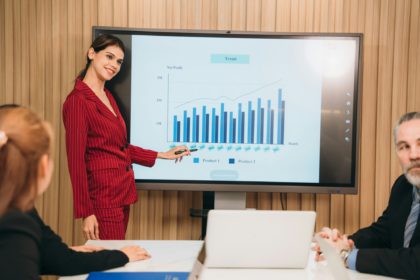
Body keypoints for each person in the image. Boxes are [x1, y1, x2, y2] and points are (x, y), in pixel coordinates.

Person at [63, 34, 190, 240]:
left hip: (121, 194)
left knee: (115, 258)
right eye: (109, 57)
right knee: (111, 265)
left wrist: (162, 155)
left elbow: (118, 147)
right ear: (92, 53)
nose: (114, 65)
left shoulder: (107, 96)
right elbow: (75, 161)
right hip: (103, 199)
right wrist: (86, 212)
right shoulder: (78, 101)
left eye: (119, 61)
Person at [0, 105, 150, 279]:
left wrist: (119, 256)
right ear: (43, 167)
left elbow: (58, 258)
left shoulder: (21, 212)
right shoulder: (14, 223)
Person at [314, 111, 420, 280]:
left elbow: (415, 262)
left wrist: (346, 256)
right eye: (404, 146)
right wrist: (345, 242)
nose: (414, 155)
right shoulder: (404, 186)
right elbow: (383, 232)